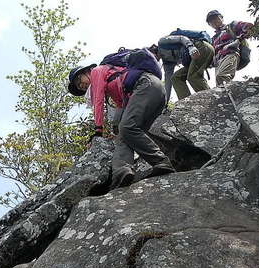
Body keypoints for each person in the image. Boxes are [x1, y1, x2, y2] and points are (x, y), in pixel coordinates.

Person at [68, 60, 175, 189]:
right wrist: (116, 128)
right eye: (79, 86)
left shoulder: (96, 71)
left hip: (146, 85)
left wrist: (98, 130)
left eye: (80, 80)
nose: (81, 85)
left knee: (126, 128)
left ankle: (161, 161)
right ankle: (122, 173)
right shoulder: (113, 81)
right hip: (154, 93)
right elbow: (122, 105)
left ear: (86, 71)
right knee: (124, 135)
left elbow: (98, 100)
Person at [155, 32, 214, 103]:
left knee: (193, 76)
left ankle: (210, 100)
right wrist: (165, 102)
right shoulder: (167, 62)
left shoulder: (162, 42)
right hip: (193, 59)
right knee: (176, 78)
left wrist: (190, 47)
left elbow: (181, 38)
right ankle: (187, 104)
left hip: (200, 47)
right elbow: (168, 82)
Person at [206, 10, 253, 87]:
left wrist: (238, 40)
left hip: (230, 55)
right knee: (220, 84)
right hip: (218, 62)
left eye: (216, 18)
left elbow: (248, 26)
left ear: (221, 18)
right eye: (211, 21)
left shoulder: (231, 26)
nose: (214, 21)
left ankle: (231, 97)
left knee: (222, 76)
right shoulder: (213, 39)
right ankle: (225, 97)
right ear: (209, 24)